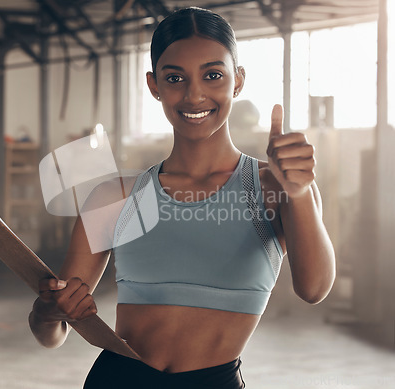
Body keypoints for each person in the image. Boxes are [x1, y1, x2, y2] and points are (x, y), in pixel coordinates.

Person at [28, 7, 336, 389]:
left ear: (237, 82)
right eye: (174, 78)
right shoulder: (116, 196)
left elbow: (315, 289)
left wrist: (300, 191)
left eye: (213, 75)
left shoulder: (277, 187)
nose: (194, 95)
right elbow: (52, 333)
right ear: (154, 85)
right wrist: (47, 311)